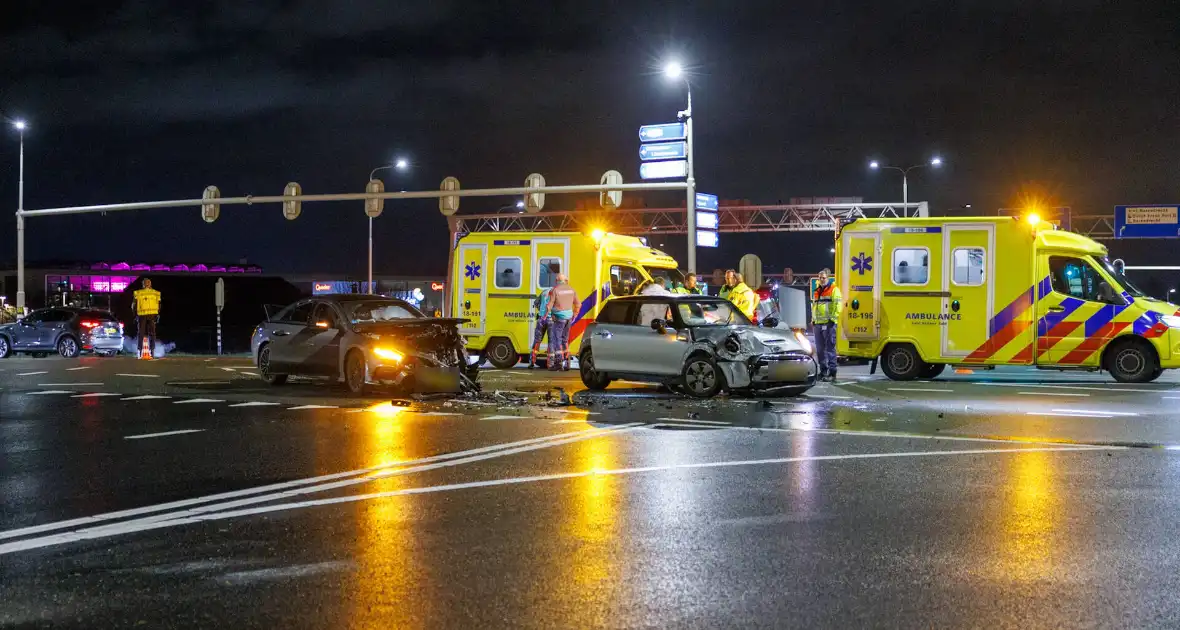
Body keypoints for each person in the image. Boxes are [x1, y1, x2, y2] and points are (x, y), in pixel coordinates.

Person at [812, 267, 842, 381]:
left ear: (828, 278)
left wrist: (833, 319)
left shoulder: (834, 289)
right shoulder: (817, 290)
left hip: (829, 324)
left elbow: (838, 305)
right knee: (820, 350)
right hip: (818, 324)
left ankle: (832, 372)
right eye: (820, 278)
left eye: (823, 278)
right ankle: (823, 371)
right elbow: (815, 307)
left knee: (830, 348)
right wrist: (813, 320)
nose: (821, 279)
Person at [547, 274, 581, 371]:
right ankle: (567, 363)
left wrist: (547, 315)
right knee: (565, 339)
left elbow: (549, 305)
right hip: (569, 318)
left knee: (556, 339)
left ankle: (559, 362)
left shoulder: (555, 290)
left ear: (557, 280)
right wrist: (575, 314)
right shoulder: (571, 290)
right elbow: (578, 304)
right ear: (565, 280)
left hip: (559, 318)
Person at [132, 278, 161, 359]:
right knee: (152, 334)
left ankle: (139, 352)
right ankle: (152, 352)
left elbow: (133, 306)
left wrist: (135, 315)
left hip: (142, 315)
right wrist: (157, 314)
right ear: (150, 284)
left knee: (140, 333)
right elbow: (159, 305)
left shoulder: (138, 293)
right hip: (152, 315)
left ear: (143, 284)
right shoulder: (156, 293)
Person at [529, 286, 553, 369]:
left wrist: (541, 310)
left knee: (537, 340)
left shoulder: (544, 292)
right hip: (551, 320)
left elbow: (536, 303)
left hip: (541, 319)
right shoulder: (557, 293)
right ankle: (550, 364)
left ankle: (532, 361)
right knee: (551, 342)